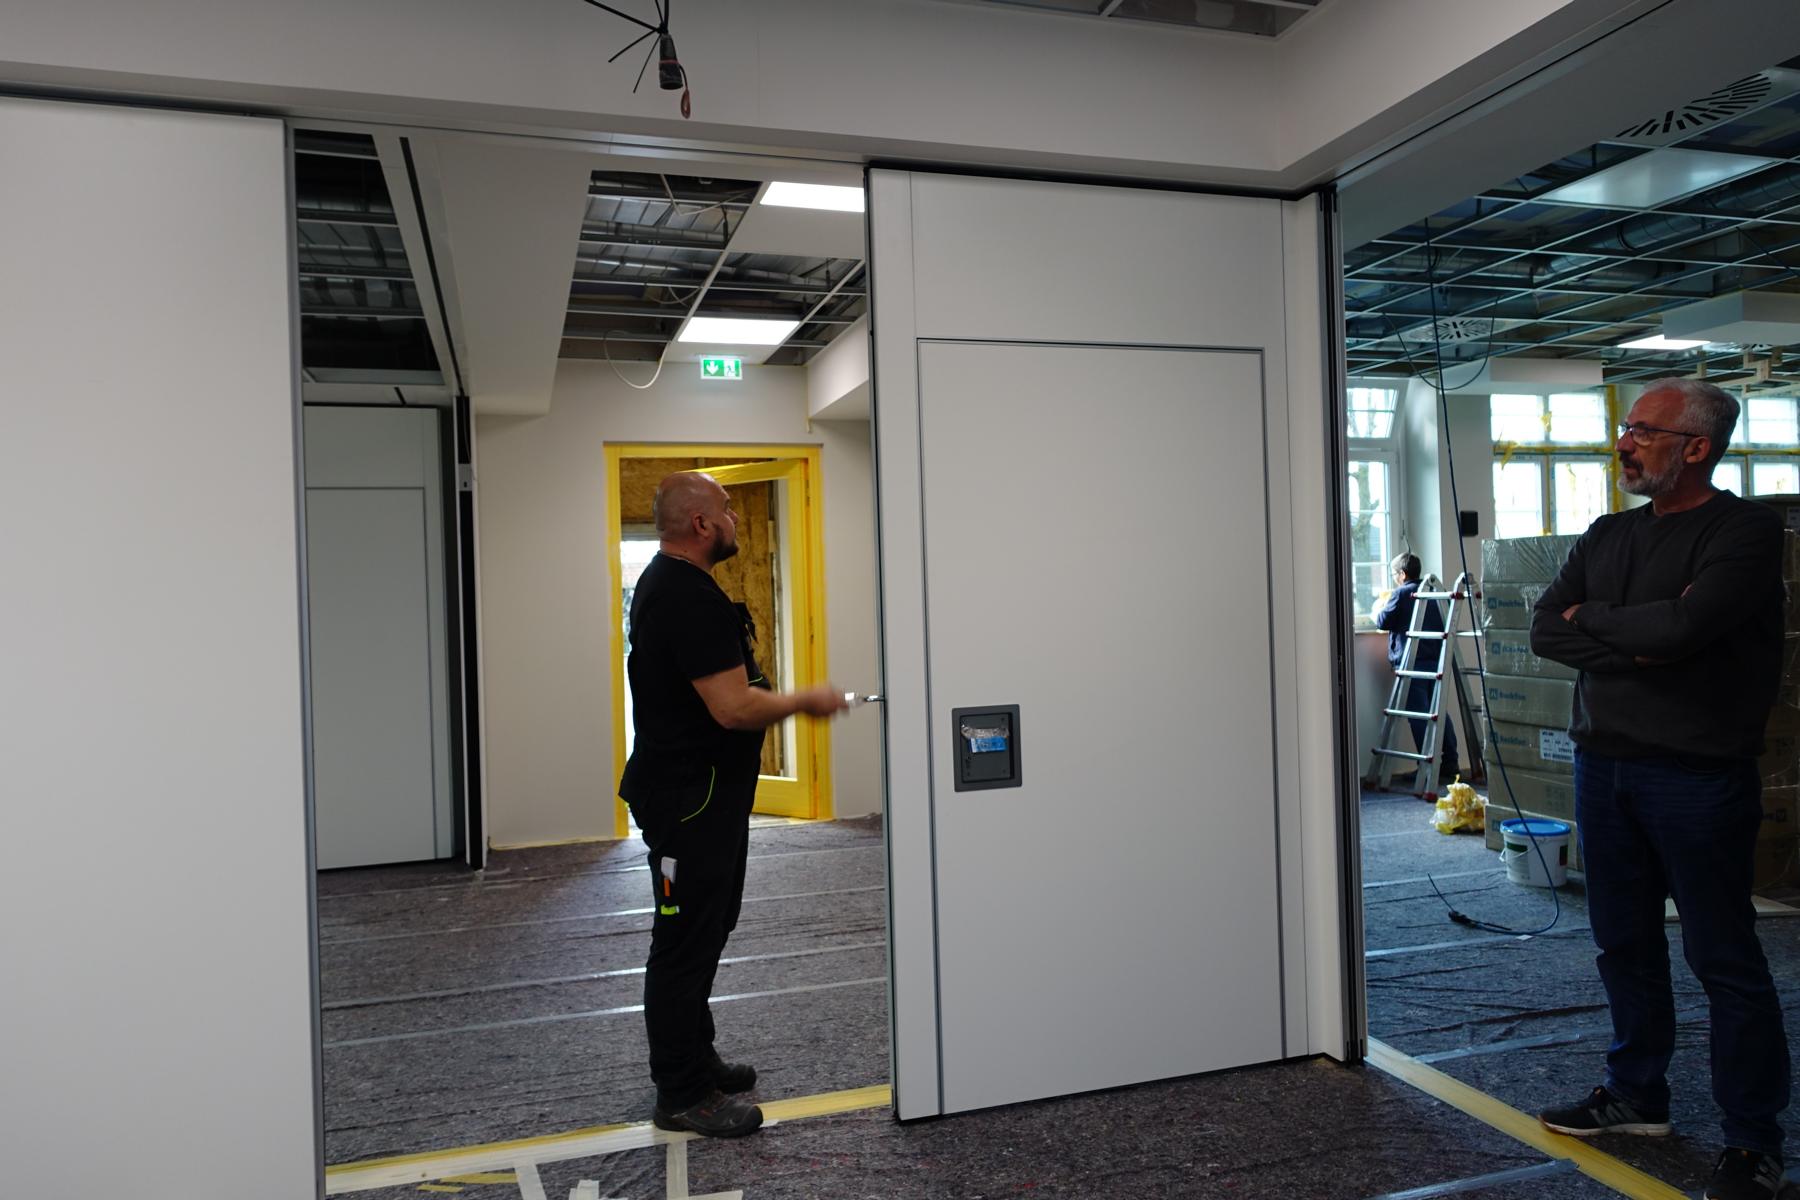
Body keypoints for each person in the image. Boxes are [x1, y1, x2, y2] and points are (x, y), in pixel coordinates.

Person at [1529, 378, 1788, 1200]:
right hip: (1603, 766)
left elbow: (1685, 628)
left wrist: (1602, 622)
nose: (1623, 443)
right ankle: (1636, 1094)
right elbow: (1545, 628)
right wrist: (1641, 641)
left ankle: (1753, 1141)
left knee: (1723, 957)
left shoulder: (1745, 531)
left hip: (1696, 774)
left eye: (1642, 431)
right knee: (1623, 943)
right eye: (1625, 428)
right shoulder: (1609, 532)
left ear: (1696, 447)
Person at [618, 471, 848, 1138]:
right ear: (701, 524)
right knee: (683, 940)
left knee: (707, 928)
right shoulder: (683, 596)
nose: (735, 518)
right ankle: (681, 1092)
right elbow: (732, 707)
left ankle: (698, 1057)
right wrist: (805, 701)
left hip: (703, 802)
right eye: (726, 509)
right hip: (686, 808)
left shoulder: (679, 585)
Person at [1373, 552, 1460, 785]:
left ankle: (1427, 766)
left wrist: (1380, 606)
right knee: (1439, 714)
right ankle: (1450, 762)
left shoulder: (1402, 594)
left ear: (1402, 574)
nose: (1394, 578)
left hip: (1412, 664)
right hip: (1436, 661)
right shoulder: (1434, 592)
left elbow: (1382, 622)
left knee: (1419, 716)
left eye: (1394, 574)